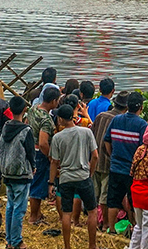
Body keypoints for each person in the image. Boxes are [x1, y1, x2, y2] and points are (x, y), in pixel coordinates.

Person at [50, 104, 100, 249]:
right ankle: (92, 245)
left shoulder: (57, 137)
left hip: (66, 178)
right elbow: (95, 156)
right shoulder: (86, 132)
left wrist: (51, 182)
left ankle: (67, 246)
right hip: (83, 176)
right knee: (92, 211)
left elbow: (54, 162)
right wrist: (90, 172)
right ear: (73, 116)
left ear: (60, 119)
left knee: (66, 213)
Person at [104, 91, 148, 232]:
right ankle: (135, 228)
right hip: (132, 171)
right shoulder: (142, 124)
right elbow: (143, 149)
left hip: (116, 167)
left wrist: (113, 156)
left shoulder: (116, 120)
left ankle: (111, 229)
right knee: (134, 201)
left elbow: (107, 141)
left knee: (113, 200)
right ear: (140, 107)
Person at [0, 96, 34, 249]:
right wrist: (33, 166)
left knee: (10, 207)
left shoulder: (5, 128)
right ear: (25, 110)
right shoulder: (26, 130)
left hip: (7, 172)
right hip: (21, 174)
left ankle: (9, 240)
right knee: (19, 209)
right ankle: (16, 241)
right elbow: (31, 153)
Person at [92, 89, 127, 231]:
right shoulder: (119, 120)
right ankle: (105, 223)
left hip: (95, 160)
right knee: (105, 197)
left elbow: (92, 134)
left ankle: (95, 222)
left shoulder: (101, 116)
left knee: (95, 194)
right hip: (108, 162)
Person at [26, 86, 60, 225]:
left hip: (30, 150)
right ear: (53, 101)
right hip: (40, 153)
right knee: (38, 185)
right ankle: (34, 217)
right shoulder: (46, 119)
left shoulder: (32, 110)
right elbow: (43, 142)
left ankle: (38, 213)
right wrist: (50, 156)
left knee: (34, 181)